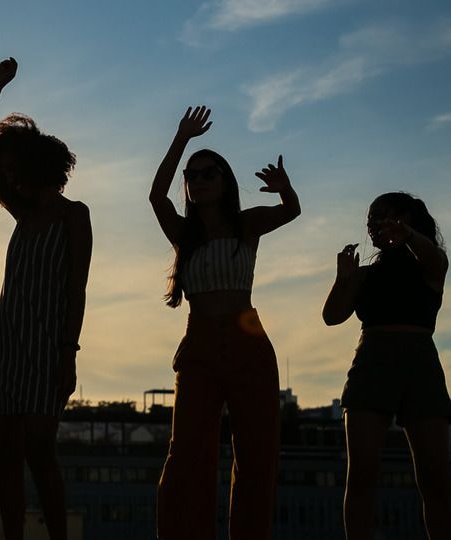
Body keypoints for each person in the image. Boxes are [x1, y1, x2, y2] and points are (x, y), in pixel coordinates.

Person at [150, 106, 300, 539]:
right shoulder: (184, 234)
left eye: (209, 172)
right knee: (186, 457)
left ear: (225, 181)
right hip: (198, 347)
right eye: (193, 175)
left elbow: (291, 210)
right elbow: (156, 197)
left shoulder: (246, 224)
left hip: (248, 341)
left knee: (256, 456)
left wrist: (284, 188)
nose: (199, 179)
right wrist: (181, 138)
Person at [0, 57, 92, 540]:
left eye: (17, 168)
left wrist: (68, 352)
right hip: (6, 347)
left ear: (42, 167)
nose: (10, 176)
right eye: (7, 169)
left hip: (48, 348)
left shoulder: (74, 216)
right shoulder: (19, 211)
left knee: (41, 448)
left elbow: (76, 289)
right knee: (7, 455)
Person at [323, 192, 451, 539]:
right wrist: (344, 278)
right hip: (372, 361)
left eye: (385, 216)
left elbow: (436, 259)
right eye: (371, 219)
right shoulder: (366, 275)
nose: (376, 225)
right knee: (362, 473)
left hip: (420, 364)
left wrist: (408, 236)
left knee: (434, 478)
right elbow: (332, 316)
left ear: (409, 219)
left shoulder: (429, 264)